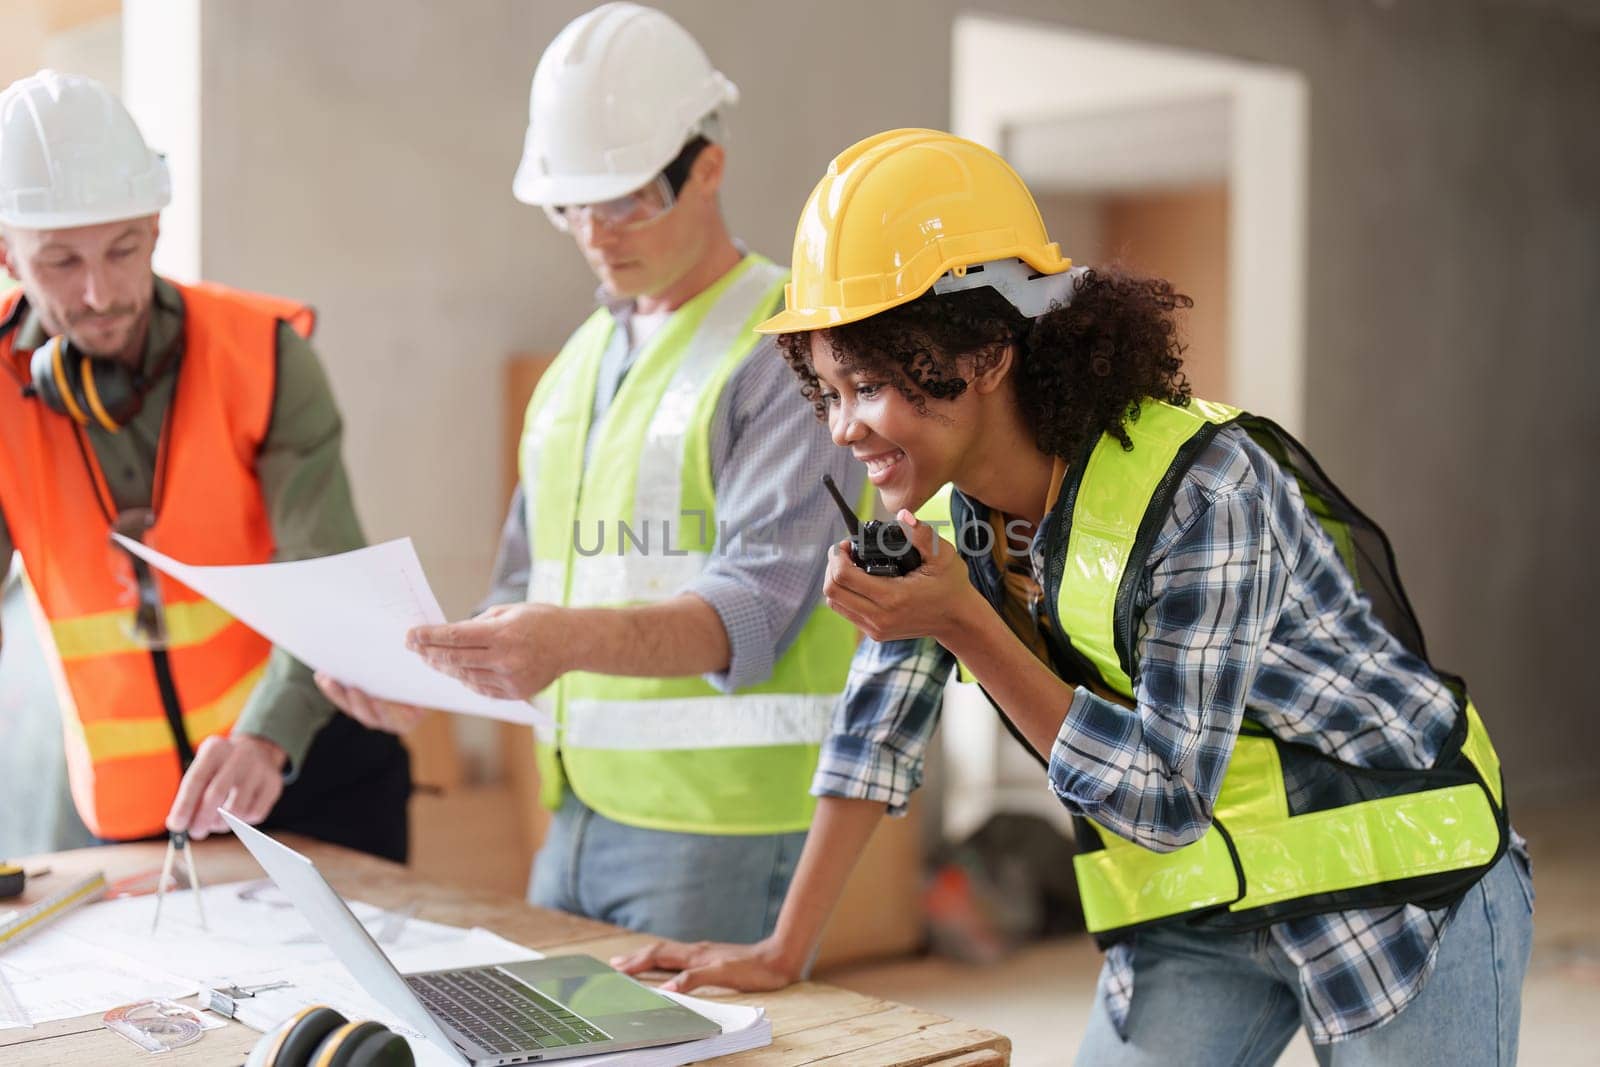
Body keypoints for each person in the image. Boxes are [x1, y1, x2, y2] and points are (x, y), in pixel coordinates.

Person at [612, 129, 1534, 1063]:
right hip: (1193, 907)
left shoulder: (1205, 491)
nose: (844, 427)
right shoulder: (936, 520)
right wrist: (783, 948)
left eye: (874, 384)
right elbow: (874, 734)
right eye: (831, 388)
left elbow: (1166, 795)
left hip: (1399, 881)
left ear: (983, 354)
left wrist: (967, 624)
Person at [318, 3, 864, 942]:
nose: (595, 234)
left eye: (623, 201)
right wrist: (437, 680)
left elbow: (760, 606)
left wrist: (558, 640)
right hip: (574, 814)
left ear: (708, 168)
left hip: (721, 824)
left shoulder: (786, 343)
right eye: (572, 205)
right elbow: (525, 596)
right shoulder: (573, 368)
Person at [0, 70, 410, 860]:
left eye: (123, 249)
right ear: (8, 255)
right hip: (135, 814)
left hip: (307, 767)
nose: (99, 293)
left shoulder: (263, 357)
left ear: (156, 226)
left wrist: (266, 736)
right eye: (59, 263)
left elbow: (321, 570)